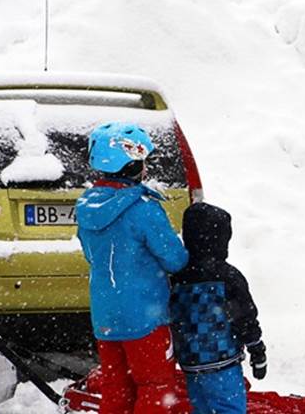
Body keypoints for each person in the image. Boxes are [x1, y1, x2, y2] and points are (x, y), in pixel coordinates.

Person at [76, 122, 190, 414]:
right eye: (142, 162)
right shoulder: (143, 209)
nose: (145, 169)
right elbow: (175, 259)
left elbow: (92, 254)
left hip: (105, 314)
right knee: (155, 388)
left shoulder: (86, 206)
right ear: (131, 165)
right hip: (145, 316)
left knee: (116, 388)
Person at [170, 202, 266, 414]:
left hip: (190, 362)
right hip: (223, 362)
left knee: (201, 408)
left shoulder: (177, 276)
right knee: (229, 408)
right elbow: (245, 317)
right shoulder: (227, 277)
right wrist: (256, 348)